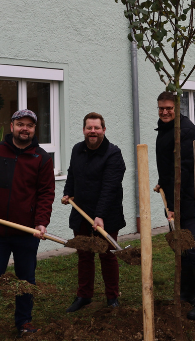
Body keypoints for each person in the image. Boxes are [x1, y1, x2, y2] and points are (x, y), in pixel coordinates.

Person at [0, 109, 55, 340]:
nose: (25, 128)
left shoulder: (42, 158)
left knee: (26, 280)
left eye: (30, 125)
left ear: (35, 129)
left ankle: (24, 322)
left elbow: (46, 194)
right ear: (12, 126)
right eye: (20, 124)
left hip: (26, 233)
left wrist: (42, 222)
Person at [61, 112, 126, 312]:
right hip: (81, 212)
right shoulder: (77, 150)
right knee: (84, 254)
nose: (93, 131)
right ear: (84, 130)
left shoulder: (113, 154)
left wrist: (100, 215)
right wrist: (68, 192)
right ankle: (84, 296)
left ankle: (112, 297)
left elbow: (110, 187)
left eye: (97, 128)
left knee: (107, 255)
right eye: (89, 128)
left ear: (103, 130)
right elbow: (72, 173)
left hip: (106, 214)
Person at [152, 90, 195, 321]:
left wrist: (176, 205)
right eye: (161, 108)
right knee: (183, 250)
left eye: (169, 108)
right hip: (175, 200)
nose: (165, 112)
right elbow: (169, 166)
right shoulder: (165, 129)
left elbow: (185, 170)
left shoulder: (184, 131)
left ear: (177, 108)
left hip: (191, 200)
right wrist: (163, 184)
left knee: (194, 251)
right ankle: (186, 294)